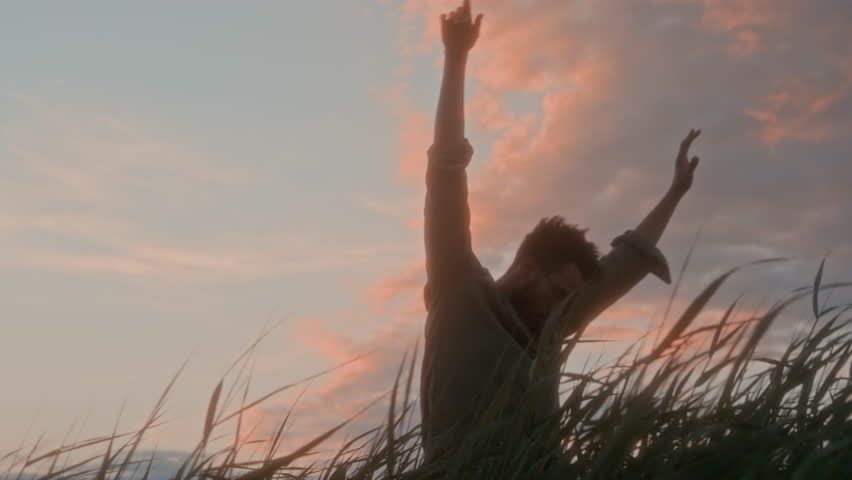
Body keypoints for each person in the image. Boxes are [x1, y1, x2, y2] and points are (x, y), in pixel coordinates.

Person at [419, 0, 702, 476]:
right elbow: (446, 170)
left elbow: (624, 264)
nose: (560, 309)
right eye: (556, 293)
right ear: (529, 265)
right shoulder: (459, 289)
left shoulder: (549, 325)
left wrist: (674, 194)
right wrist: (456, 59)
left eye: (566, 300)